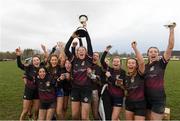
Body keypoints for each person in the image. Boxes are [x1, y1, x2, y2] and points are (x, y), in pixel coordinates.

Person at [145, 24, 176, 120]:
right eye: (151, 51)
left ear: (158, 54)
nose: (153, 53)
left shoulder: (161, 63)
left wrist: (171, 30)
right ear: (148, 54)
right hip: (145, 98)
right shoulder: (144, 67)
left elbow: (170, 47)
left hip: (158, 99)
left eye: (155, 51)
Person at [65, 31, 93, 120]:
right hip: (75, 89)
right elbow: (66, 49)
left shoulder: (89, 59)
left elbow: (89, 44)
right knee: (75, 116)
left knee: (85, 118)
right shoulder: (74, 59)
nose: (81, 51)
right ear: (77, 52)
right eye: (79, 50)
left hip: (86, 89)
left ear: (86, 52)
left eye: (83, 50)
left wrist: (87, 35)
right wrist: (72, 37)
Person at [100, 45, 126, 120]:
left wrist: (110, 77)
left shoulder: (123, 72)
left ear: (120, 63)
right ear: (112, 62)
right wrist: (106, 51)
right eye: (114, 61)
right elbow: (102, 61)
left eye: (117, 61)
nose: (116, 63)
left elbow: (119, 84)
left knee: (114, 118)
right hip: (109, 97)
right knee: (110, 116)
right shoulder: (109, 69)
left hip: (118, 97)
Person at [15, 47, 41, 120]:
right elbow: (20, 65)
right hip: (29, 91)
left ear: (39, 61)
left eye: (37, 60)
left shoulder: (42, 68)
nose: (36, 61)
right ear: (32, 62)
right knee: (25, 110)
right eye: (34, 60)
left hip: (37, 92)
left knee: (36, 110)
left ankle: (34, 119)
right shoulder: (29, 67)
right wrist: (18, 56)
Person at [124, 41, 146, 120]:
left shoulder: (140, 73)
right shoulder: (126, 76)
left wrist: (135, 48)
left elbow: (142, 63)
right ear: (127, 65)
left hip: (140, 104)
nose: (131, 64)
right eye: (129, 63)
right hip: (129, 103)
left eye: (133, 63)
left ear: (136, 65)